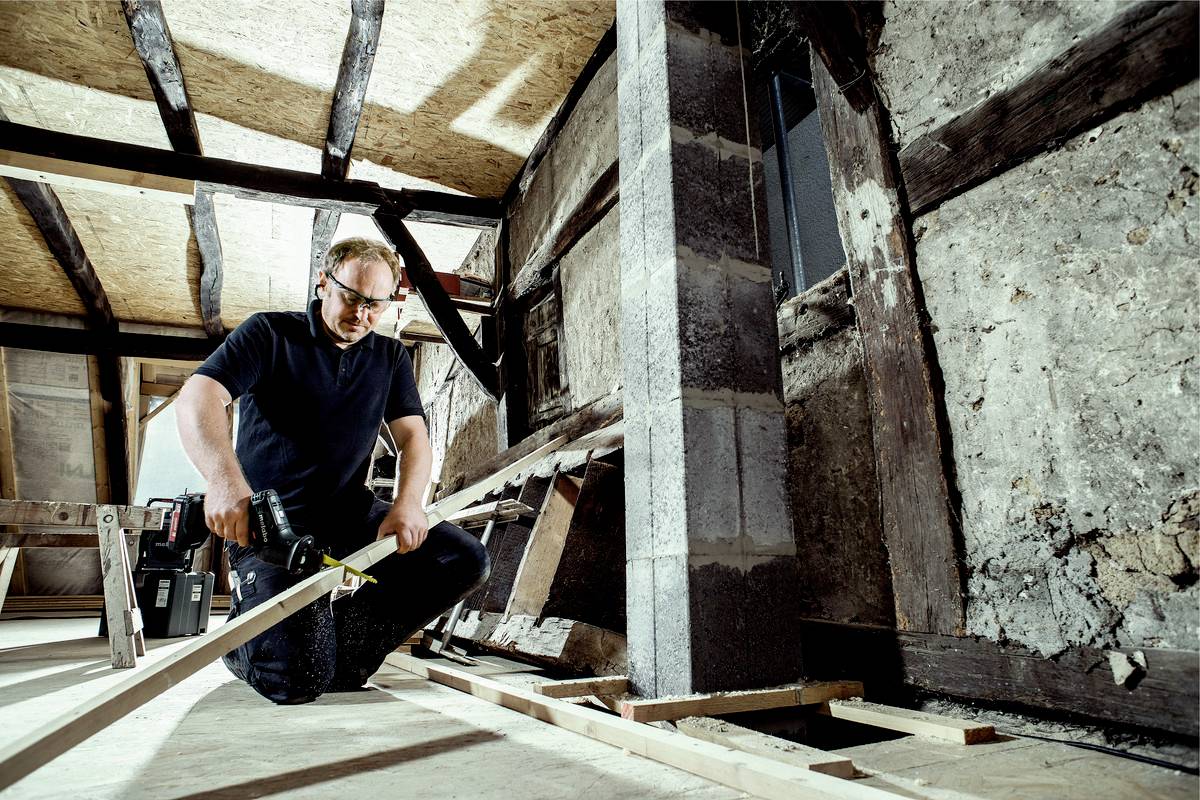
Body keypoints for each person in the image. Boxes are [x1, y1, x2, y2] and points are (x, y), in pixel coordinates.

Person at [175, 237, 489, 704]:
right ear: (324, 283)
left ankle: (339, 651)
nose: (361, 314)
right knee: (295, 683)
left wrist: (408, 504)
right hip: (270, 527)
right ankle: (244, 645)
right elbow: (199, 396)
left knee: (461, 560)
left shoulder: (389, 357)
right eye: (352, 298)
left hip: (347, 514)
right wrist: (223, 482)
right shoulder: (268, 334)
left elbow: (413, 437)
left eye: (375, 305)